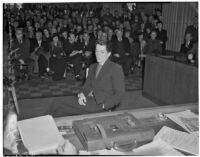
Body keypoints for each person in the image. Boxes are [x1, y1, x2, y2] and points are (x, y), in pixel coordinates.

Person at [47, 40, 125, 117]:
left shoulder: (115, 68)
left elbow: (119, 93)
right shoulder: (93, 67)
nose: (98, 54)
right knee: (60, 109)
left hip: (100, 105)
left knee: (58, 103)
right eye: (97, 51)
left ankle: (45, 124)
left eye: (102, 52)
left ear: (108, 54)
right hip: (88, 101)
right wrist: (81, 94)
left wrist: (105, 106)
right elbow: (86, 86)